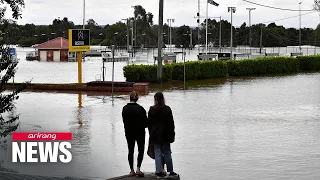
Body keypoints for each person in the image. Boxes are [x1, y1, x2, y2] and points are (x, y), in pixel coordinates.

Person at [148, 92, 178, 178]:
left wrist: (151, 133)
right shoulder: (167, 109)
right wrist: (172, 135)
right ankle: (170, 171)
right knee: (167, 152)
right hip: (166, 135)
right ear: (163, 99)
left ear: (156, 99)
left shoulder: (152, 110)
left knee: (157, 152)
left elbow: (149, 123)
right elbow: (171, 124)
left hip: (155, 135)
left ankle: (158, 171)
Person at [122, 91, 148, 177]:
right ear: (137, 99)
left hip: (129, 132)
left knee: (130, 151)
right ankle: (138, 168)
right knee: (140, 150)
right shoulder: (141, 109)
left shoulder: (124, 109)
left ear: (130, 98)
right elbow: (146, 124)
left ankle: (131, 170)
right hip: (140, 132)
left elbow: (124, 122)